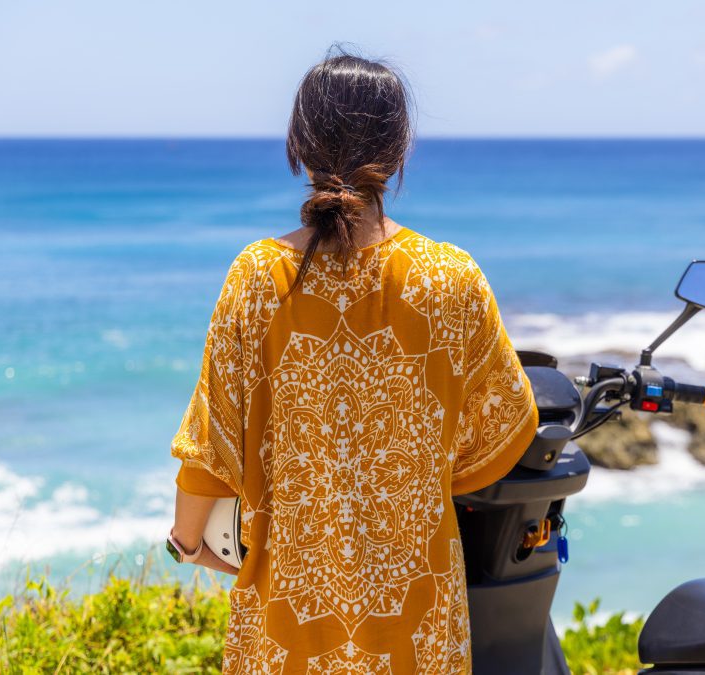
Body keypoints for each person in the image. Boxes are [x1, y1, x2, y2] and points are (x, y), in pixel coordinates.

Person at [166, 48, 539, 674]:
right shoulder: (452, 276)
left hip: (288, 611)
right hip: (415, 612)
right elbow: (502, 428)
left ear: (298, 145)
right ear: (399, 152)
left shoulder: (257, 277)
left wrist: (186, 544)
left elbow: (212, 443)